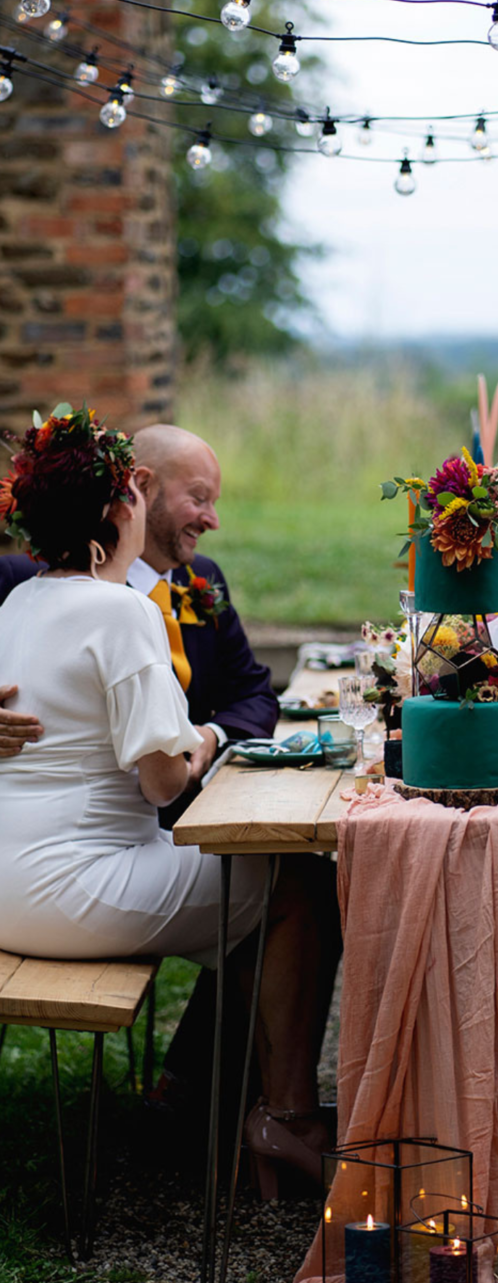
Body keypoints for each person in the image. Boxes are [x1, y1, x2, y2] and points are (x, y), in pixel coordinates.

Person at [0, 406, 338, 1188]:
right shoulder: (121, 610)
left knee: (251, 880)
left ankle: (207, 1095)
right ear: (123, 510)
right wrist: (204, 743)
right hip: (72, 890)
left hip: (7, 881)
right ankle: (283, 1120)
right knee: (297, 883)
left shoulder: (19, 605)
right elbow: (163, 781)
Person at [0, 423, 279, 808]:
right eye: (199, 498)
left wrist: (212, 734)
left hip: (196, 804)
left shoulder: (203, 577)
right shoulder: (26, 582)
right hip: (88, 818)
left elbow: (254, 692)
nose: (212, 520)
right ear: (143, 487)